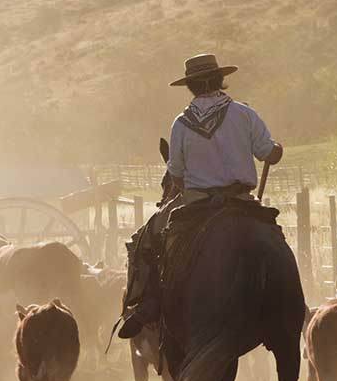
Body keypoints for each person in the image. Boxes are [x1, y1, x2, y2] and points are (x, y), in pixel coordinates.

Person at [118, 53, 284, 339]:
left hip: (197, 203)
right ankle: (291, 301)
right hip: (242, 201)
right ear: (221, 80)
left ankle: (148, 303)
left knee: (148, 237)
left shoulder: (181, 124)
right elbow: (269, 153)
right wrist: (276, 148)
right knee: (275, 238)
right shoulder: (245, 114)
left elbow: (177, 173)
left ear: (190, 86)